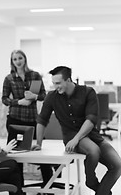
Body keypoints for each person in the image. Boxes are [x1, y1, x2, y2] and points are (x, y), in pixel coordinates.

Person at [33, 66, 121, 195]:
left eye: (58, 83)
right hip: (71, 137)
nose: (55, 87)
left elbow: (91, 120)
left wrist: (76, 139)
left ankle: (98, 189)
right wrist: (39, 143)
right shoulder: (52, 97)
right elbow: (42, 120)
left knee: (117, 165)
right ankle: (91, 180)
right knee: (93, 150)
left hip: (92, 136)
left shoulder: (88, 92)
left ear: (68, 80)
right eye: (53, 83)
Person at [1, 49, 54, 186]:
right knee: (16, 156)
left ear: (25, 59)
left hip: (32, 120)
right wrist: (18, 101)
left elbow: (44, 95)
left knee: (40, 155)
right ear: (12, 62)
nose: (18, 61)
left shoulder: (35, 76)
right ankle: (18, 189)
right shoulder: (9, 78)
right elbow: (4, 99)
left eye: (20, 58)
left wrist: (34, 97)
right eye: (15, 59)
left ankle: (48, 187)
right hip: (14, 120)